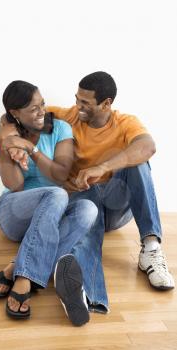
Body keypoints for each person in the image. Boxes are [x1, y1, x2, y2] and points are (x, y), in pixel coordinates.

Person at [47, 71, 175, 313]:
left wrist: (103, 167)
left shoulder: (125, 122)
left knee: (138, 163)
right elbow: (23, 113)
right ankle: (87, 297)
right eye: (77, 99)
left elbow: (148, 146)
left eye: (85, 102)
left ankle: (151, 249)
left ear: (106, 103)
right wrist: (8, 132)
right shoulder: (69, 115)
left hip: (117, 205)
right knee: (87, 209)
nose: (77, 107)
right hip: (85, 199)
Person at [0, 80, 98, 326]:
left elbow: (59, 174)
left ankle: (17, 266)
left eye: (42, 105)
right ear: (14, 113)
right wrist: (8, 148)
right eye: (33, 109)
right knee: (57, 195)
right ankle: (26, 277)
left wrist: (30, 148)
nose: (41, 112)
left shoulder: (60, 128)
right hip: (14, 212)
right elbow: (14, 185)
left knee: (88, 208)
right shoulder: (2, 141)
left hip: (52, 213)